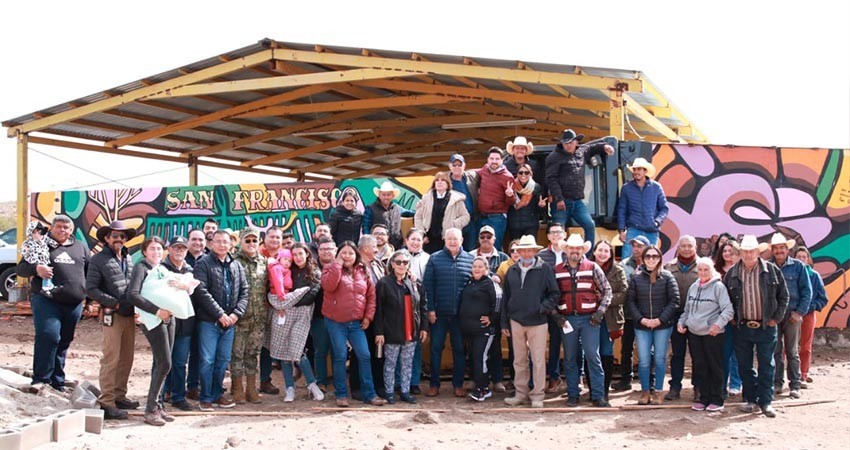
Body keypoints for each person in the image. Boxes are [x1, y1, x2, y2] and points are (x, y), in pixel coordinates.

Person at [128, 236, 196, 426]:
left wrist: (184, 287)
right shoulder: (141, 267)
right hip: (153, 318)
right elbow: (132, 294)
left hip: (169, 318)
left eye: (159, 249)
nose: (156, 252)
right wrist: (157, 311)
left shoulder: (161, 269)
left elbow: (180, 286)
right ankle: (150, 409)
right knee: (164, 363)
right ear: (144, 251)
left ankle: (158, 406)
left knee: (165, 362)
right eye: (152, 249)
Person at [18, 215, 89, 391]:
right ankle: (41, 379)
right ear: (51, 228)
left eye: (66, 227)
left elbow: (90, 275)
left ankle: (57, 381)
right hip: (46, 300)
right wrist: (36, 268)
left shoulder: (81, 248)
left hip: (74, 303)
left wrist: (90, 301)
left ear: (71, 230)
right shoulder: (40, 244)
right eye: (58, 227)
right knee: (48, 336)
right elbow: (21, 268)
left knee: (64, 340)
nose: (62, 230)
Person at [724, 234, 788, 418]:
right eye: (745, 251)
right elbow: (725, 298)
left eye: (751, 251)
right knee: (744, 365)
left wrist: (776, 318)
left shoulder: (772, 271)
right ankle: (751, 399)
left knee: (767, 364)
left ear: (758, 252)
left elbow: (784, 296)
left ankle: (766, 402)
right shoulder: (732, 273)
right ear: (741, 252)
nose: (748, 254)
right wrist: (732, 319)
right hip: (742, 326)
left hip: (766, 326)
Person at [321, 241, 387, 407]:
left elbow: (371, 296)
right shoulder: (329, 268)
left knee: (364, 355)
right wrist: (337, 265)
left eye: (350, 253)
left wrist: (368, 317)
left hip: (356, 323)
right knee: (340, 356)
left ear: (356, 254)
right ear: (338, 255)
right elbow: (329, 286)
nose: (347, 256)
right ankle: (341, 395)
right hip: (335, 322)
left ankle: (369, 394)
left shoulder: (363, 271)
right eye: (343, 253)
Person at [84, 220, 138, 420]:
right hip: (111, 314)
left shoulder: (128, 257)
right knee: (111, 358)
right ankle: (107, 402)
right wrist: (114, 304)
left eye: (123, 236)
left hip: (129, 314)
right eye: (115, 235)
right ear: (106, 238)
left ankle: (119, 396)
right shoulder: (98, 260)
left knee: (127, 358)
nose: (119, 239)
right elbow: (91, 289)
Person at [554, 234, 613, 407]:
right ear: (566, 250)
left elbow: (607, 291)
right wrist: (556, 315)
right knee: (570, 358)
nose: (575, 251)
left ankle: (598, 395)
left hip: (590, 319)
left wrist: (600, 312)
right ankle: (573, 394)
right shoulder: (556, 270)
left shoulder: (592, 267)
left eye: (578, 248)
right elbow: (551, 295)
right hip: (567, 320)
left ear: (582, 250)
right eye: (572, 248)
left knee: (593, 356)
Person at [193, 230, 249, 411]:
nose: (222, 245)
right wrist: (220, 315)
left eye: (225, 242)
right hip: (209, 322)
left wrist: (235, 314)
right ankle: (206, 397)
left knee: (223, 361)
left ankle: (218, 394)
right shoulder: (203, 264)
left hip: (230, 322)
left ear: (231, 244)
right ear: (211, 244)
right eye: (218, 241)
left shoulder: (236, 265)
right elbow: (201, 292)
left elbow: (244, 292)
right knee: (207, 360)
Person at [502, 235, 560, 409]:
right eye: (523, 250)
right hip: (516, 320)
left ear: (535, 251)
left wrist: (542, 308)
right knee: (519, 360)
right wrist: (504, 323)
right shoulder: (512, 271)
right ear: (518, 252)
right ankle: (521, 394)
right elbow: (506, 298)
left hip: (538, 321)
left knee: (538, 359)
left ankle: (537, 395)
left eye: (529, 250)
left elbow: (554, 294)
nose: (526, 253)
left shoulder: (545, 269)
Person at [268, 243, 325, 402]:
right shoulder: (287, 270)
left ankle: (312, 385)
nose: (298, 257)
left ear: (307, 254)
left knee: (298, 351)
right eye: (295, 254)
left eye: (301, 253)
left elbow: (310, 295)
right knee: (283, 352)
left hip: (301, 315)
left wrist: (286, 304)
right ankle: (289, 388)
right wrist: (281, 304)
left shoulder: (314, 272)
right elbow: (275, 287)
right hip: (284, 315)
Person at [677, 257, 734, 412]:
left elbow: (728, 310)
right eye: (700, 269)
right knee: (700, 366)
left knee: (714, 366)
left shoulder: (719, 287)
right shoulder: (693, 287)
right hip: (694, 334)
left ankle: (717, 398)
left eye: (706, 269)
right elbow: (687, 310)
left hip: (712, 334)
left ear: (712, 270)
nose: (703, 272)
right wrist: (681, 322)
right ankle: (703, 398)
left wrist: (717, 325)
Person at [423, 228, 474, 398]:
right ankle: (434, 384)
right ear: (444, 239)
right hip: (439, 314)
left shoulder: (470, 260)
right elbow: (427, 287)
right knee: (436, 348)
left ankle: (458, 385)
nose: (452, 241)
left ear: (462, 240)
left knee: (459, 350)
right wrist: (430, 309)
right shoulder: (434, 258)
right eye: (449, 238)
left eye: (456, 239)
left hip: (460, 315)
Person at [374, 249, 429, 404]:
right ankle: (389, 392)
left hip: (410, 330)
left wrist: (423, 327)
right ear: (392, 264)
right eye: (398, 262)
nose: (401, 265)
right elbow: (378, 310)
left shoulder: (414, 282)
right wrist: (379, 332)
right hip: (391, 331)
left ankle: (405, 391)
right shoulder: (384, 283)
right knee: (390, 363)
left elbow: (422, 306)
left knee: (407, 363)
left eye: (405, 262)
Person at [627, 245, 680, 405]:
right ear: (643, 259)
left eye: (654, 256)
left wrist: (660, 320)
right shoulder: (636, 279)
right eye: (648, 256)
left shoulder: (667, 277)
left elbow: (674, 300)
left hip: (662, 326)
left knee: (659, 359)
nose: (651, 259)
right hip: (642, 326)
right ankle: (645, 392)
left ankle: (658, 391)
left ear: (659, 259)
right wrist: (641, 319)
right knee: (643, 360)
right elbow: (630, 302)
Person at [545, 129, 614, 246]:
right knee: (557, 232)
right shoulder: (553, 157)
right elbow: (551, 179)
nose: (568, 145)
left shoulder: (582, 151)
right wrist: (559, 198)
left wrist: (605, 147)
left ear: (576, 142)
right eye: (565, 142)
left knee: (589, 224)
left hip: (577, 202)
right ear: (561, 143)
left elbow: (593, 147)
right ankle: (557, 258)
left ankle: (586, 256)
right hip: (561, 202)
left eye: (570, 142)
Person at [768, 233, 812, 399]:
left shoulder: (798, 267)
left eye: (782, 248)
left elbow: (807, 292)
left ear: (787, 249)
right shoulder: (767, 267)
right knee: (776, 351)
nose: (779, 251)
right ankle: (777, 383)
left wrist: (800, 312)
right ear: (772, 250)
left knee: (792, 351)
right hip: (774, 316)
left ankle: (795, 384)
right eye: (776, 248)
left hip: (792, 315)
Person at [230, 228, 269, 405]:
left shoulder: (264, 262)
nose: (251, 244)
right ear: (241, 242)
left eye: (254, 241)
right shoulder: (234, 261)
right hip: (240, 317)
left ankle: (251, 389)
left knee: (253, 354)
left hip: (259, 317)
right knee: (237, 354)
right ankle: (237, 388)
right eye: (248, 241)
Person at [161, 235, 198, 411]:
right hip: (165, 322)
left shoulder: (190, 270)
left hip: (185, 323)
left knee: (180, 362)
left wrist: (187, 287)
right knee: (162, 361)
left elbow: (197, 289)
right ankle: (159, 396)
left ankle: (177, 396)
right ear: (169, 249)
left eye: (182, 248)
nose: (179, 251)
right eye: (176, 247)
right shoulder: (160, 269)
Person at [470, 225, 509, 391]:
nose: (485, 239)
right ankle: (474, 378)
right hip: (475, 309)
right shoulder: (470, 256)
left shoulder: (503, 257)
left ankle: (497, 379)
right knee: (473, 348)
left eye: (489, 236)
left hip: (495, 310)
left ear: (494, 238)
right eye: (482, 236)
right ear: (478, 238)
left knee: (495, 348)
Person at [589, 239, 628, 400]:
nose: (603, 254)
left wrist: (604, 300)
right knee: (591, 353)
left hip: (610, 318)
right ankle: (593, 390)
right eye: (600, 250)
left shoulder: (618, 270)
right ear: (594, 252)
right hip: (590, 317)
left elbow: (624, 293)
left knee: (606, 352)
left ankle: (603, 390)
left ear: (611, 254)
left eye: (606, 251)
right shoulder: (586, 268)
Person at [611, 235, 650, 392]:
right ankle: (625, 380)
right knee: (626, 348)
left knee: (647, 349)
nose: (636, 249)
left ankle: (649, 381)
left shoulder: (653, 264)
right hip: (627, 313)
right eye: (634, 246)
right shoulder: (623, 264)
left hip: (647, 314)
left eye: (639, 246)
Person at [663, 235, 700, 402]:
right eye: (683, 246)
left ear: (695, 248)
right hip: (675, 316)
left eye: (689, 246)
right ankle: (675, 387)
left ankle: (698, 387)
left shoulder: (703, 266)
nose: (686, 249)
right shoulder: (668, 267)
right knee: (677, 354)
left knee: (697, 354)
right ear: (678, 248)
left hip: (698, 316)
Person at [459, 257, 498, 402]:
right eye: (474, 266)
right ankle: (479, 385)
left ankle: (483, 389)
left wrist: (492, 318)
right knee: (473, 358)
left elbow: (498, 301)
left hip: (484, 330)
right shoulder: (470, 282)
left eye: (480, 266)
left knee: (480, 358)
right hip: (469, 329)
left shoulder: (490, 283)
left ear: (486, 269)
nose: (477, 269)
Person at [536, 222, 567, 393]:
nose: (556, 235)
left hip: (566, 305)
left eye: (559, 232)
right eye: (552, 232)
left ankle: (574, 377)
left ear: (564, 235)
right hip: (546, 305)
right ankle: (553, 377)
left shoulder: (571, 253)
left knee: (567, 343)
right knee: (547, 344)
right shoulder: (541, 256)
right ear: (547, 236)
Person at [617, 157, 669, 259]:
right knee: (627, 260)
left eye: (639, 169)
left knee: (651, 260)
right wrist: (621, 231)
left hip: (651, 231)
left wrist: (657, 222)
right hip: (633, 229)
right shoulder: (626, 188)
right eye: (634, 169)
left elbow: (664, 208)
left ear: (645, 171)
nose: (636, 172)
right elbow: (621, 210)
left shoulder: (656, 187)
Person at [794, 246, 828, 388]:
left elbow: (823, 298)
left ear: (808, 259)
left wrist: (813, 306)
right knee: (787, 346)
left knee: (805, 346)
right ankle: (785, 375)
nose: (801, 259)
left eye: (804, 257)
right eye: (799, 256)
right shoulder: (790, 273)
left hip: (808, 315)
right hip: (791, 315)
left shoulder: (814, 276)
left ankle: (803, 374)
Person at [414, 171, 470, 254]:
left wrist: (453, 225)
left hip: (447, 240)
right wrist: (422, 234)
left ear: (448, 183)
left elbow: (466, 217)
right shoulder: (426, 198)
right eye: (437, 180)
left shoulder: (456, 200)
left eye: (443, 180)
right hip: (428, 240)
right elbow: (418, 217)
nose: (439, 182)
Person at [401, 228, 429, 394]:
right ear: (406, 240)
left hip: (418, 306)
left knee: (416, 346)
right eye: (412, 239)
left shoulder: (428, 259)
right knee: (399, 345)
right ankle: (399, 381)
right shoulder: (397, 256)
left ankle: (414, 381)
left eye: (418, 239)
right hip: (400, 305)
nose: (415, 242)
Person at [715, 240, 743, 397]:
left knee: (737, 353)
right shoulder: (716, 270)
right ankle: (722, 384)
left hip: (740, 318)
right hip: (720, 318)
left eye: (730, 251)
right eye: (724, 251)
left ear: (738, 254)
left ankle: (736, 382)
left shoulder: (743, 270)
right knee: (723, 352)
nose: (727, 254)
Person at [309, 237, 337, 391]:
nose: (326, 251)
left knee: (338, 351)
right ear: (318, 251)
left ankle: (338, 381)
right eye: (323, 249)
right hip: (318, 316)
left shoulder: (341, 267)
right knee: (320, 349)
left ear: (335, 250)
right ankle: (321, 381)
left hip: (338, 318)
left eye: (330, 249)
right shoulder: (311, 268)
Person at [258, 226, 284, 395]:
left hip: (279, 307)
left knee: (269, 345)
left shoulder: (286, 256)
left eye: (277, 237)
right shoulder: (257, 254)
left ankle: (266, 380)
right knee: (253, 347)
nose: (275, 240)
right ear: (265, 239)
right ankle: (246, 382)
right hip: (257, 306)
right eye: (272, 237)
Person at [475, 147, 516, 250]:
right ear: (487, 160)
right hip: (482, 216)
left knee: (495, 246)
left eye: (497, 159)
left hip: (497, 218)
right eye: (492, 158)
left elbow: (511, 202)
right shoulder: (484, 170)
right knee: (481, 246)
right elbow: (474, 173)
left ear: (502, 160)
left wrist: (510, 195)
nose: (494, 161)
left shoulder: (507, 177)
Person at [362, 181, 414, 250]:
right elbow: (365, 228)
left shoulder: (397, 208)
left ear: (393, 196)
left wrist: (421, 208)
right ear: (379, 195)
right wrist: (369, 243)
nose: (386, 197)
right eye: (384, 194)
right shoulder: (370, 209)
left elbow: (410, 213)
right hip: (377, 247)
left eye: (388, 195)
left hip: (396, 247)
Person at [447, 153, 480, 251]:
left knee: (471, 250)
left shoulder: (472, 177)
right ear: (450, 166)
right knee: (454, 250)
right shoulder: (445, 181)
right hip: (455, 223)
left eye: (459, 165)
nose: (457, 167)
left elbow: (485, 170)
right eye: (454, 165)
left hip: (472, 222)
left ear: (464, 166)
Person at [507, 163, 545, 246]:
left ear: (531, 174)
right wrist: (509, 196)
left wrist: (541, 206)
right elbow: (507, 204)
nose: (523, 175)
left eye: (526, 172)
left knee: (530, 249)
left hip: (530, 225)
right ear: (517, 174)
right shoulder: (511, 187)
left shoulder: (536, 187)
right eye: (521, 172)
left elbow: (539, 211)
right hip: (514, 224)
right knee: (515, 251)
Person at [504, 136, 546, 203]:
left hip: (532, 203)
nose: (520, 150)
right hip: (512, 203)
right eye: (517, 148)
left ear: (526, 150)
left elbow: (540, 183)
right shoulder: (506, 166)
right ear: (513, 150)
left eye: (522, 148)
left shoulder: (534, 165)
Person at [20, 221, 56, 296]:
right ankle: (46, 288)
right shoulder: (28, 243)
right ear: (30, 233)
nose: (39, 235)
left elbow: (52, 242)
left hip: (45, 259)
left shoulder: (44, 240)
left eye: (40, 232)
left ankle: (49, 286)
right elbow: (24, 252)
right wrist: (33, 263)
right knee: (46, 273)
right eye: (35, 232)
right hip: (36, 260)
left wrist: (57, 244)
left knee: (48, 273)